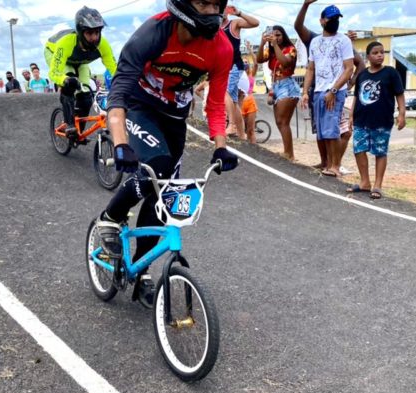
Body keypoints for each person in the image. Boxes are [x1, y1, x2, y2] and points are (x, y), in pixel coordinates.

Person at [95, 0, 240, 305]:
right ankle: (110, 217)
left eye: (217, 4)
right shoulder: (153, 34)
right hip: (139, 107)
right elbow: (118, 93)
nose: (212, 12)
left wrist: (221, 147)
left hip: (175, 118)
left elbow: (214, 104)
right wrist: (121, 143)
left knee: (162, 194)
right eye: (203, 3)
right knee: (157, 166)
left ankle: (142, 270)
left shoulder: (222, 48)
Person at [295, 0, 365, 174]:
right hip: (318, 91)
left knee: (333, 129)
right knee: (323, 131)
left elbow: (350, 68)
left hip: (334, 91)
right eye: (331, 18)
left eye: (337, 18)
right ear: (322, 20)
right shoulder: (315, 41)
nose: (334, 21)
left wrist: (334, 90)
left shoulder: (344, 40)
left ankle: (335, 166)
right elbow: (310, 68)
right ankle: (327, 164)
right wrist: (305, 92)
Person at [44, 7, 117, 138]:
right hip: (54, 54)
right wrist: (64, 80)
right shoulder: (66, 43)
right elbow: (54, 73)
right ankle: (69, 124)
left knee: (86, 97)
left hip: (80, 62)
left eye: (97, 32)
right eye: (89, 33)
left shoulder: (103, 45)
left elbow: (115, 70)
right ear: (80, 32)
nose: (95, 38)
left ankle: (78, 132)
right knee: (71, 82)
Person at [348, 41, 405, 199]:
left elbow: (399, 94)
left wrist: (402, 114)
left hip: (382, 121)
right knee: (359, 150)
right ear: (368, 56)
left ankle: (377, 185)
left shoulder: (391, 73)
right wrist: (351, 116)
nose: (380, 55)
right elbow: (356, 97)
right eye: (375, 53)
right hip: (361, 120)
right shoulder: (362, 75)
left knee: (380, 152)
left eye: (382, 52)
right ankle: (364, 182)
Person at [257, 25, 299, 159]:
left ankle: (289, 153)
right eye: (273, 35)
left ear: (284, 36)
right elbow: (259, 60)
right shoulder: (271, 51)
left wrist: (274, 44)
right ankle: (288, 152)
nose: (276, 37)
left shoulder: (291, 49)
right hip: (276, 86)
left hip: (287, 86)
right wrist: (263, 43)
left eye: (278, 35)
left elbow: (285, 63)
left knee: (283, 121)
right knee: (279, 121)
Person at [221, 5, 259, 140]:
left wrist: (239, 13)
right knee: (234, 101)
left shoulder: (233, 24)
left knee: (226, 93)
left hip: (235, 66)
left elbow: (256, 23)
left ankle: (231, 125)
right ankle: (242, 135)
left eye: (223, 8)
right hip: (223, 67)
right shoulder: (214, 29)